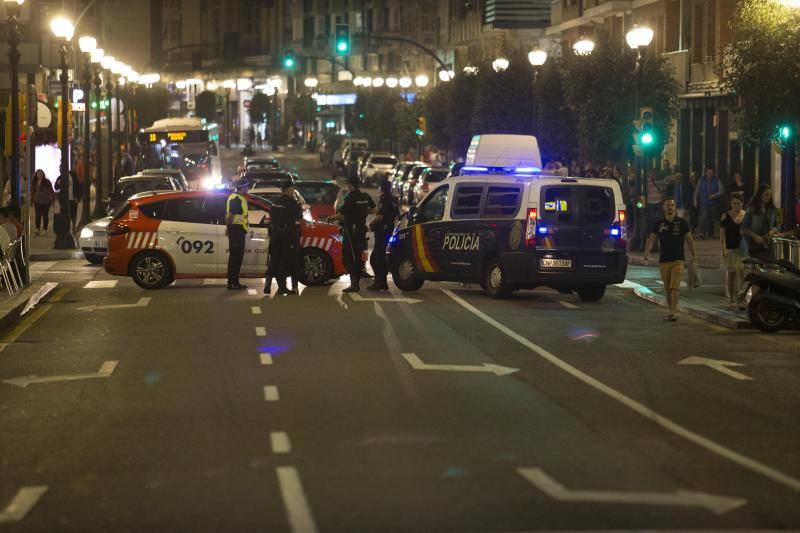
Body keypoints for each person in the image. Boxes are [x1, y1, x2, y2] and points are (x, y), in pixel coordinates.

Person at [643, 197, 697, 322]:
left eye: (672, 205)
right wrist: (647, 252)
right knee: (667, 288)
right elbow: (651, 239)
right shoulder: (659, 223)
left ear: (675, 207)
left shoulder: (682, 223)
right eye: (667, 205)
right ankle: (670, 310)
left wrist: (694, 254)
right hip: (664, 260)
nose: (670, 207)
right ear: (663, 207)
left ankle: (673, 313)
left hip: (678, 259)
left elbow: (689, 239)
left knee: (675, 286)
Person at [331, 176, 375, 293]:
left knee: (348, 258)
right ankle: (356, 283)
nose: (347, 187)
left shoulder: (350, 198)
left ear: (352, 185)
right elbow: (374, 210)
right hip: (361, 230)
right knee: (359, 257)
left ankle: (354, 284)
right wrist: (364, 211)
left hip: (351, 232)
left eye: (348, 185)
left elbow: (341, 214)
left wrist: (330, 218)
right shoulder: (365, 196)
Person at [264, 179, 303, 296]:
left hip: (276, 235)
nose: (294, 190)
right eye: (293, 188)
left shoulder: (275, 201)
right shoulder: (293, 203)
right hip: (288, 236)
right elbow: (298, 219)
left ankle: (268, 283)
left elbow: (272, 218)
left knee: (274, 259)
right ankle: (282, 287)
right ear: (289, 189)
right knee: (285, 261)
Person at [368, 179, 398, 291]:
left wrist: (371, 223)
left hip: (382, 232)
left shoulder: (384, 200)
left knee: (376, 259)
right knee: (381, 258)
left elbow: (380, 216)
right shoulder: (393, 199)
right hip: (389, 231)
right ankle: (383, 282)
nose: (378, 188)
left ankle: (379, 282)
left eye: (379, 186)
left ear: (382, 188)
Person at [740, 183, 778, 260]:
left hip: (768, 244)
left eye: (770, 195)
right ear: (760, 195)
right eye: (766, 195)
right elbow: (743, 229)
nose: (769, 197)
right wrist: (755, 236)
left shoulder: (772, 210)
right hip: (753, 245)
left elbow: (777, 225)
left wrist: (772, 232)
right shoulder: (752, 209)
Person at [720, 193, 745, 308]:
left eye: (738, 203)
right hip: (730, 249)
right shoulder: (725, 216)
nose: (736, 205)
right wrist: (723, 249)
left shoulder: (746, 215)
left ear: (742, 204)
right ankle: (732, 299)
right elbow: (722, 235)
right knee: (731, 274)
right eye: (734, 203)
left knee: (742, 274)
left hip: (743, 250)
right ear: (731, 204)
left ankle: (741, 298)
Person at [225, 180, 250, 290]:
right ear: (242, 188)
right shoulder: (236, 199)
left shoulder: (239, 198)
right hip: (236, 230)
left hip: (238, 230)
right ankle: (232, 283)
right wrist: (228, 228)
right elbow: (231, 215)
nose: (248, 189)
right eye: (247, 187)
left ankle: (235, 281)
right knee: (235, 258)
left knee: (237, 257)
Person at [693, 168, 724, 239]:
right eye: (708, 172)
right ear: (706, 173)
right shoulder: (701, 180)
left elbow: (722, 190)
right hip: (703, 202)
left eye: (711, 172)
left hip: (713, 203)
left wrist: (715, 195)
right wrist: (695, 201)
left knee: (711, 219)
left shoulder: (717, 180)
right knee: (703, 217)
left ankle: (710, 234)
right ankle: (702, 233)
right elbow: (696, 191)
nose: (710, 174)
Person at [32, 169, 54, 236]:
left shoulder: (47, 181)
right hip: (37, 201)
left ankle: (45, 229)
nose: (39, 175)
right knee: (38, 215)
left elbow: (51, 190)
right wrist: (31, 200)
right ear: (36, 175)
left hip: (46, 201)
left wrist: (52, 200)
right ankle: (37, 228)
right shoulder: (34, 182)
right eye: (38, 173)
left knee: (45, 216)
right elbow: (33, 191)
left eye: (41, 173)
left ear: (43, 174)